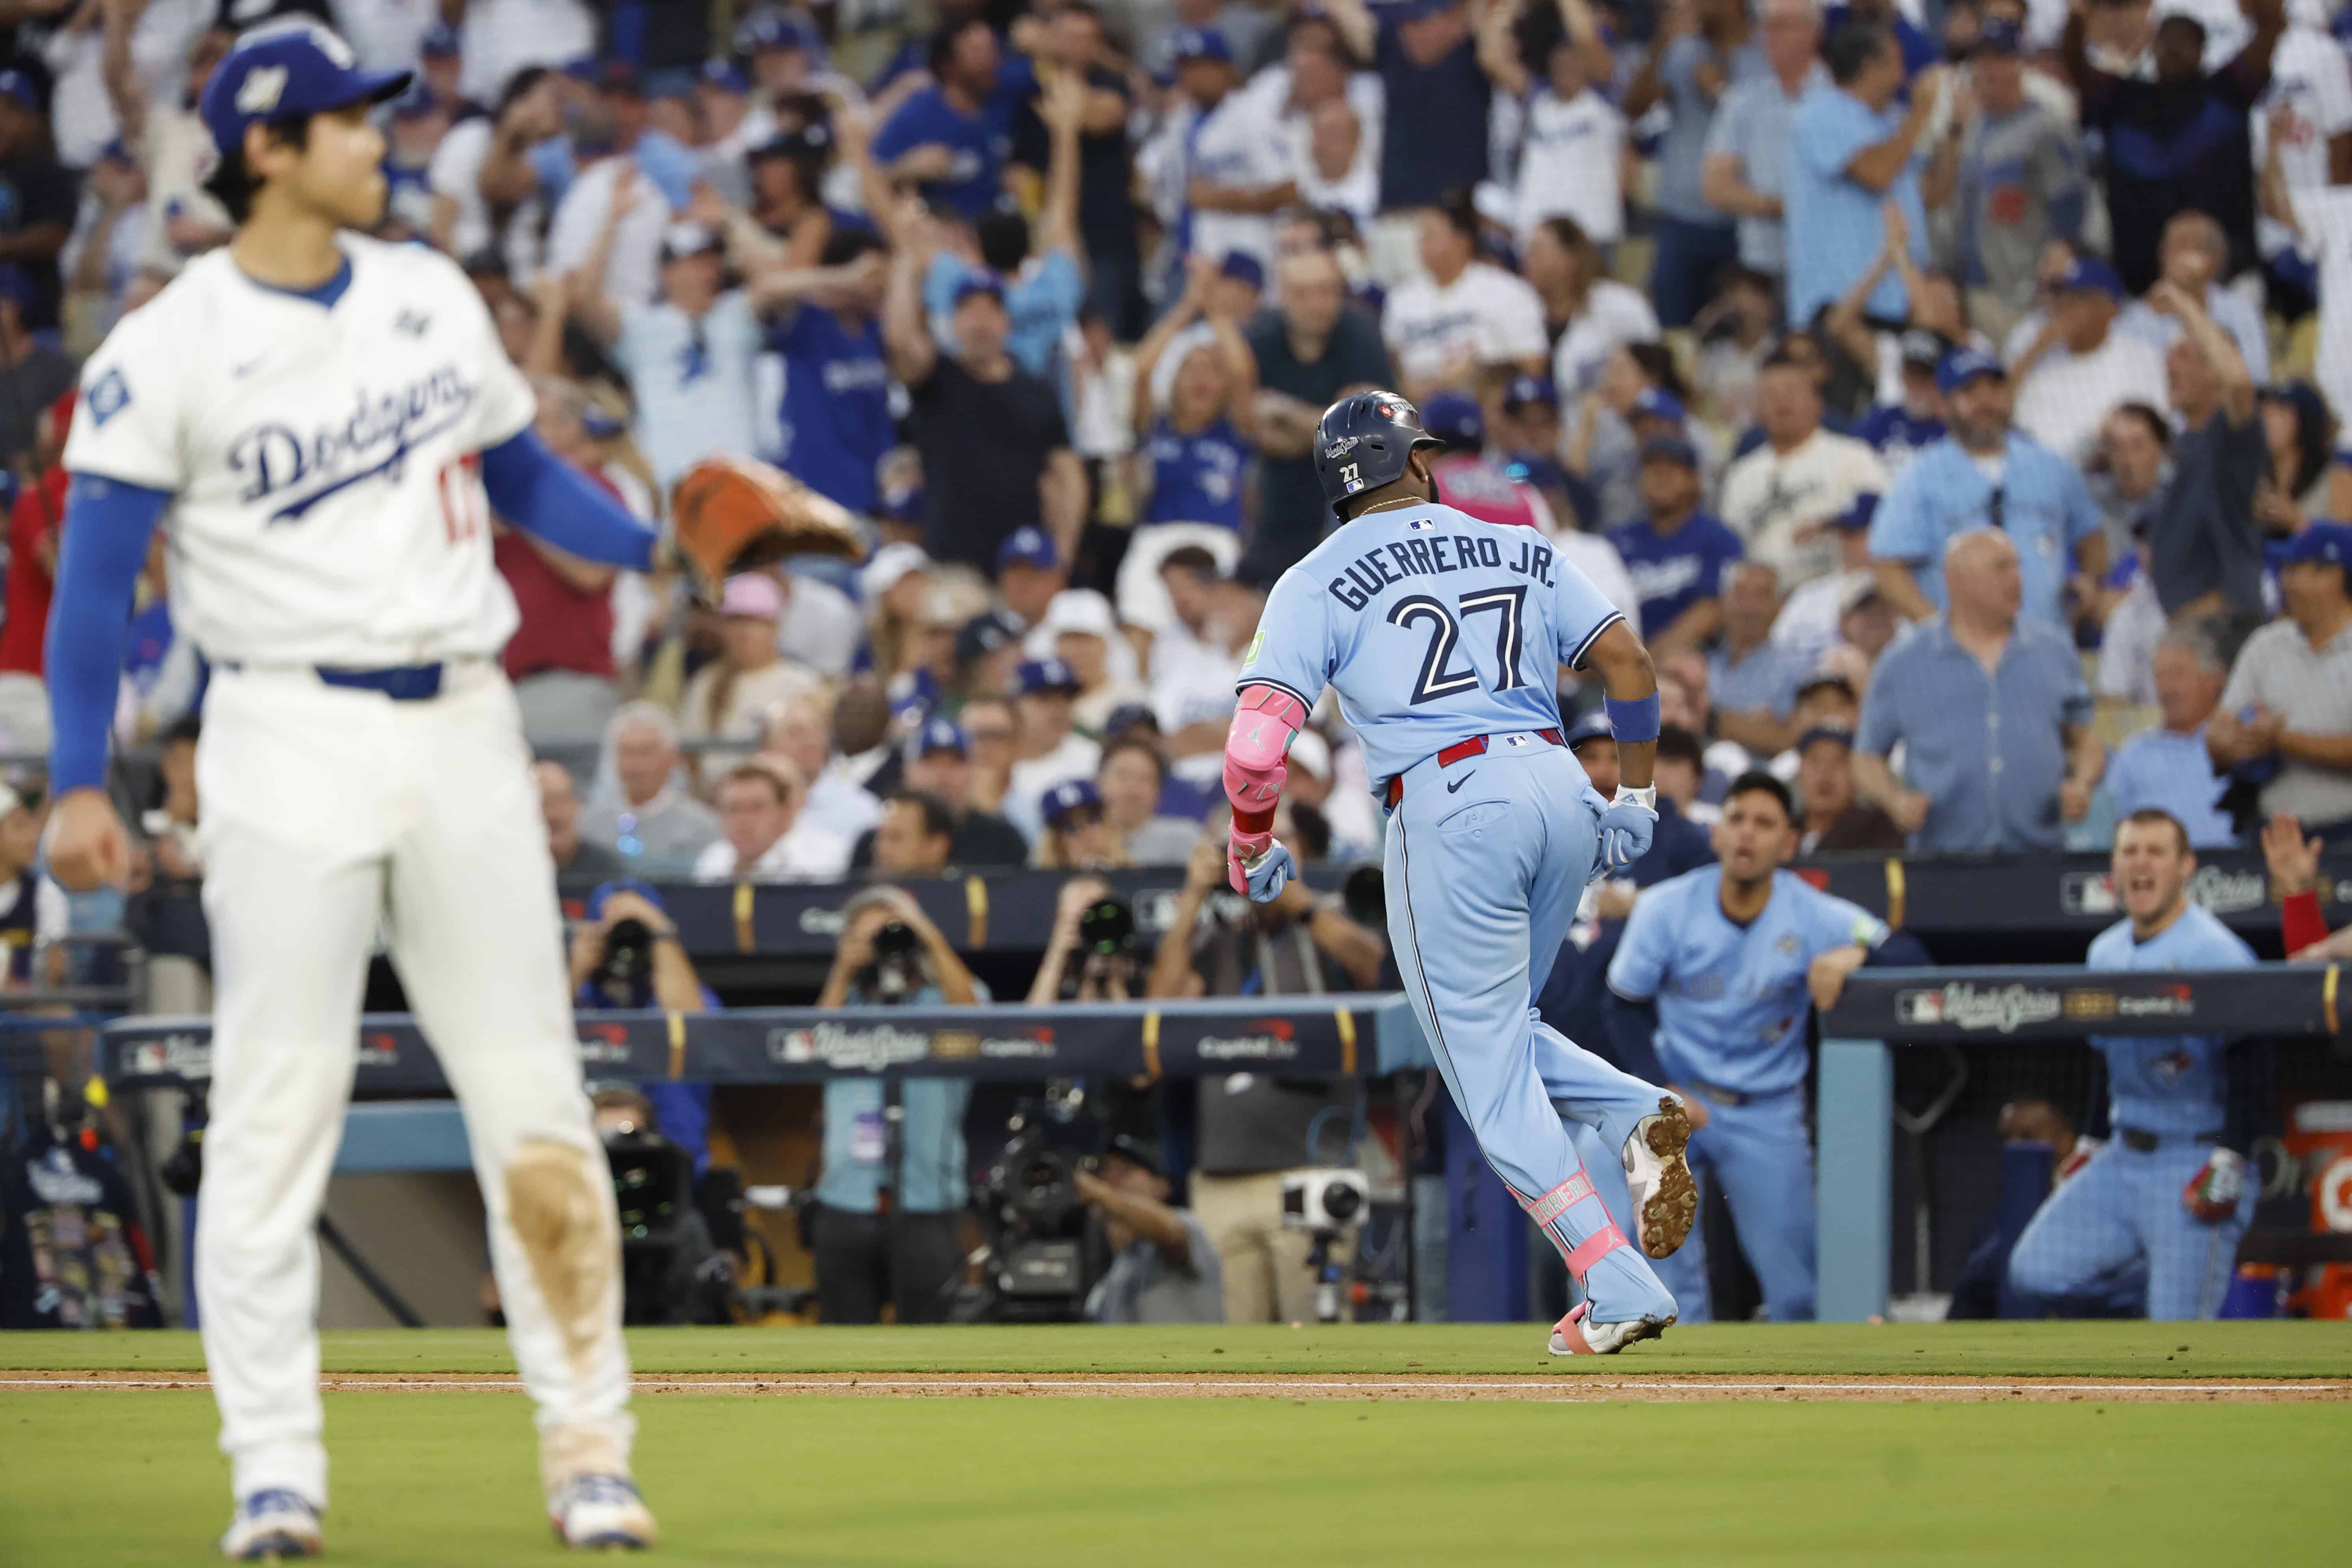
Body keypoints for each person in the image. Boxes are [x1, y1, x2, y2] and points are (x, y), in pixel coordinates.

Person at [41, 23, 659, 1554]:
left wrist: (672, 545)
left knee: (533, 1097)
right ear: (267, 148)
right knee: (270, 1108)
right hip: (284, 730)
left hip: (460, 720)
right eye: (346, 121)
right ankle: (275, 1469)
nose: (378, 137)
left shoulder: (427, 292)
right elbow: (95, 582)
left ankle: (589, 1446)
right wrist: (75, 776)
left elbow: (521, 483)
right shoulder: (171, 342)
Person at [1228, 390, 1699, 1356]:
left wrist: (1251, 841)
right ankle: (1630, 1109)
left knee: (1486, 1080)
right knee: (1506, 1032)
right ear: (1417, 461)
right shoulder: (1514, 539)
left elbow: (1253, 748)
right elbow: (1630, 661)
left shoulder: (1314, 578)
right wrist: (1637, 801)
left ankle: (1615, 1283)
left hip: (1448, 802)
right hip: (1558, 780)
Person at [1608, 771, 1895, 1322]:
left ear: (1788, 844)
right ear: (1716, 835)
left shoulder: (1812, 912)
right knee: (1663, 1275)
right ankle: (1674, 1391)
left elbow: (1905, 953)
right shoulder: (1666, 906)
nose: (1746, 834)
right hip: (1678, 1097)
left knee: (1798, 1292)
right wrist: (1659, 1089)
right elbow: (1622, 1005)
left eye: (1764, 824)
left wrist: (1855, 957)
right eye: (1735, 819)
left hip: (1764, 1109)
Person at [2007, 809, 2259, 1320]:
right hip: (2122, 1156)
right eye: (2128, 851)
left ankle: (2172, 1284)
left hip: (2192, 1155)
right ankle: (2152, 1286)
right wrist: (2090, 1139)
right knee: (2035, 1269)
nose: (2140, 863)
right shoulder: (2104, 951)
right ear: (2114, 867)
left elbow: (2253, 1059)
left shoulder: (2217, 952)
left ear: (2184, 865)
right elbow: (2104, 1058)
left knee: (2178, 1334)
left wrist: (2231, 1155)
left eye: (2155, 852)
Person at [1854, 529, 2103, 850]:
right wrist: (1895, 801)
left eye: (2017, 567)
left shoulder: (2054, 650)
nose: (2017, 579)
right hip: (1941, 862)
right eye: (2001, 568)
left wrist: (2081, 783)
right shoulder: (1903, 662)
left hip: (2040, 858)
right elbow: (1865, 757)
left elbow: (2086, 737)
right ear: (1956, 581)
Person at [809, 887, 984, 1325]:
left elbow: (976, 1017)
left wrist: (923, 931)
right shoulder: (848, 1003)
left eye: (891, 934)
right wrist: (844, 967)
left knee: (930, 1345)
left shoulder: (941, 999)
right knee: (841, 1344)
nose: (885, 948)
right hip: (846, 1198)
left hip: (927, 1198)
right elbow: (808, 1046)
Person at [885, 222, 1086, 572]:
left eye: (991, 310)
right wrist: (906, 262)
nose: (981, 322)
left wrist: (1064, 552)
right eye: (970, 310)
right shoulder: (936, 380)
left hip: (1021, 567)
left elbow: (1068, 474)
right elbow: (900, 342)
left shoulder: (1036, 390)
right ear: (955, 321)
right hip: (950, 564)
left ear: (1006, 321)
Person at [1867, 347, 2107, 631]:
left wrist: (2088, 583)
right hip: (1962, 657)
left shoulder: (2050, 466)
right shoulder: (1918, 477)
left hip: (2044, 641)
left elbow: (2091, 537)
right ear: (1944, 404)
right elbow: (1887, 568)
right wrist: (1936, 627)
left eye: (1995, 389)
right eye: (1970, 392)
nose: (1986, 402)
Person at [2060, 0, 2287, 294]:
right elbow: (2074, 64)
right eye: (2166, 39)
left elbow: (2270, 31)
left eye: (2185, 40)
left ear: (2203, 49)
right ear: (2153, 47)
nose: (2174, 47)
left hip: (2230, 280)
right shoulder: (2121, 101)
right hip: (2140, 286)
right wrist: (2078, 15)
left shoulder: (2228, 94)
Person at [1245, 247, 1395, 581]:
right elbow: (1257, 431)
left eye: (1326, 290)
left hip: (1353, 484)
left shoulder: (1359, 331)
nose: (1317, 303)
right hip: (1279, 486)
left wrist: (1286, 412)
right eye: (1303, 293)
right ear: (1283, 296)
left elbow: (1368, 430)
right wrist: (1331, 425)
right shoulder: (1262, 338)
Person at [1784, 28, 1944, 332]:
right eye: (1897, 62)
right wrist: (1920, 113)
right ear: (1870, 67)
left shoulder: (1892, 120)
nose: (1906, 74)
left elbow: (1935, 194)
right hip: (1841, 303)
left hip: (1899, 299)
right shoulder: (1820, 113)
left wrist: (1953, 131)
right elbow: (1876, 174)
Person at [1949, 17, 2088, 343]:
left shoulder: (2046, 127)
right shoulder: (1975, 127)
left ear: (2019, 64)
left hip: (2023, 293)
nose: (1988, 70)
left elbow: (2070, 210)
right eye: (1980, 60)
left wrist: (2052, 282)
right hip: (1974, 287)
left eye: (1999, 59)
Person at [2208, 521, 2352, 833]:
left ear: (2332, 576)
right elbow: (2218, 731)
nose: (2284, 581)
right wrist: (2235, 741)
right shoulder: (2267, 643)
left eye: (2295, 569)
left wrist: (2281, 740)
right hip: (2272, 831)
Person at [2143, 279, 2267, 631]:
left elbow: (2240, 384)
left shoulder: (2228, 436)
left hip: (2220, 625)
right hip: (2184, 628)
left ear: (2214, 368)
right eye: (2169, 354)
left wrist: (2186, 306)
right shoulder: (2183, 444)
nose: (2169, 362)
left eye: (2183, 355)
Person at [1717, 350, 1889, 590]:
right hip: (1765, 599)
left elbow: (1880, 522)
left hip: (1835, 589)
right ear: (1758, 407)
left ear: (1817, 401)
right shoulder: (1741, 475)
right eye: (1771, 395)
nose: (1781, 402)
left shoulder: (1854, 456)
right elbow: (1730, 555)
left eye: (1791, 392)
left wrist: (1828, 525)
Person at [1700, 0, 1827, 289]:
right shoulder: (1742, 101)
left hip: (1827, 264)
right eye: (1764, 26)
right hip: (1761, 267)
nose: (1769, 35)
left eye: (1781, 26)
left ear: (1812, 32)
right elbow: (1715, 187)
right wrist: (1780, 206)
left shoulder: (1839, 97)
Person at [1381, 189, 1548, 403]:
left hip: (1488, 410)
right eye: (1421, 237)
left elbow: (1534, 364)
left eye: (1430, 236)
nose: (1421, 245)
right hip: (1418, 413)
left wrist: (1480, 373)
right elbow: (1391, 368)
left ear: (1462, 241)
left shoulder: (1508, 291)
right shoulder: (1402, 298)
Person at [1607, 437, 1743, 657]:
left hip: (1696, 659)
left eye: (1671, 469)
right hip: (1622, 661)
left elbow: (1713, 610)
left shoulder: (1719, 538)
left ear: (1694, 479)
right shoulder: (1617, 541)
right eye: (1652, 469)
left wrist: (1645, 662)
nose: (1661, 477)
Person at [2104, 629, 2238, 846]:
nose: (2166, 688)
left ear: (2214, 679)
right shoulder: (2135, 754)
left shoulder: (2238, 743)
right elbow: (2111, 833)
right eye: (2160, 677)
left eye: (2177, 674)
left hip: (2236, 876)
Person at [1079, 1135, 1226, 1323]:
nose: (1109, 1180)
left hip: (1193, 1352)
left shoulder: (1185, 1221)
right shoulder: (1118, 1264)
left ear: (1161, 1186)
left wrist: (1105, 1197)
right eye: (1104, 1172)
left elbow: (1172, 1234)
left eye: (1125, 1171)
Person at [580, 701, 723, 871]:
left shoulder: (702, 826)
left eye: (646, 752)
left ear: (671, 758)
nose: (636, 764)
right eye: (627, 752)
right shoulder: (588, 826)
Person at [693, 759, 852, 881]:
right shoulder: (712, 860)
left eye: (757, 808)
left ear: (784, 813)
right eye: (733, 809)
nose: (744, 821)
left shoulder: (824, 859)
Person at [1791, 725, 1906, 851]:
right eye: (1815, 761)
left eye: (1839, 761)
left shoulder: (1881, 831)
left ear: (1858, 776)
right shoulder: (1783, 829)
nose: (1825, 772)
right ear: (1798, 775)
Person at [537, 760, 627, 880]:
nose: (552, 814)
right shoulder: (511, 867)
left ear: (578, 805)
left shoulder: (608, 870)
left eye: (560, 801)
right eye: (543, 803)